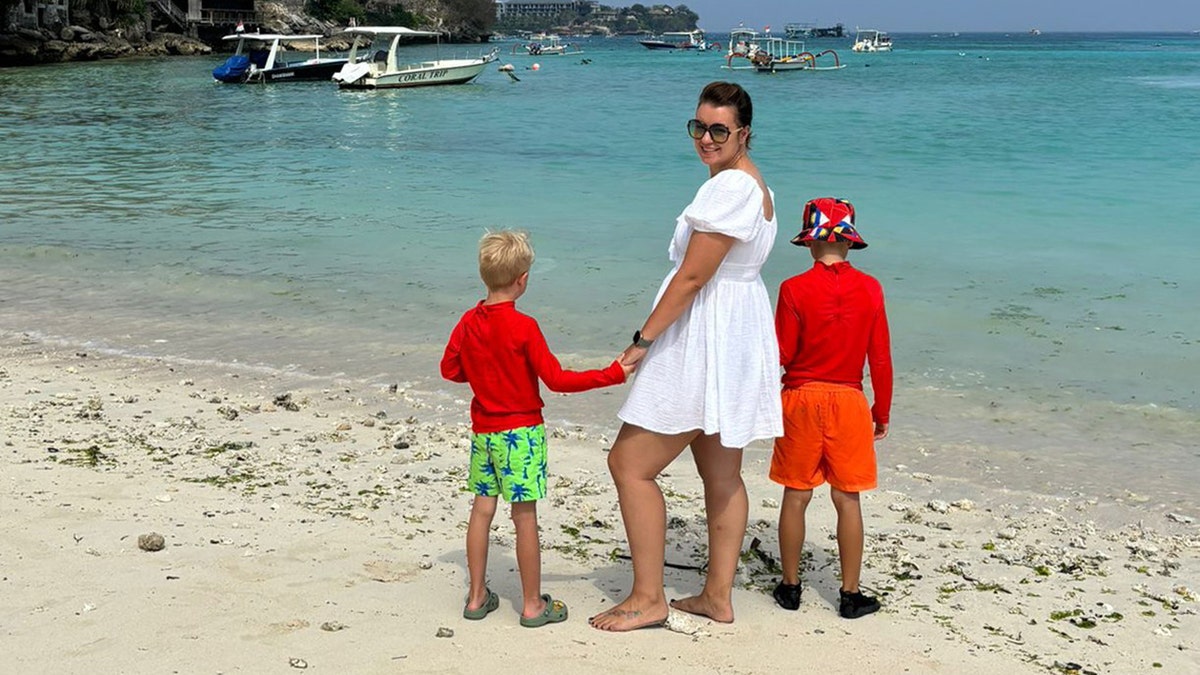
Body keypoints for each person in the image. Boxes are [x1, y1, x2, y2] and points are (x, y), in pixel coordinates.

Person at [589, 82, 783, 632]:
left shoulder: (729, 191)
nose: (706, 138)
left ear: (744, 132)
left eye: (719, 129)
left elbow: (694, 277)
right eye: (698, 126)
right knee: (721, 473)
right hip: (736, 334)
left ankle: (648, 598)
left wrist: (643, 339)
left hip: (705, 336)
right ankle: (716, 597)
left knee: (629, 465)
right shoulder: (754, 185)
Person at [440, 229, 632, 628]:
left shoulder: (468, 322)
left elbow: (450, 368)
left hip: (484, 432)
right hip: (521, 433)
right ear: (522, 279)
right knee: (523, 516)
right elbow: (557, 380)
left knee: (482, 510)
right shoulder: (524, 327)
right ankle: (531, 605)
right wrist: (612, 374)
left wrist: (483, 375)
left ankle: (476, 597)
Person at [769, 197, 893, 619]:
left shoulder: (793, 289)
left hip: (800, 399)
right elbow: (880, 358)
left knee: (796, 494)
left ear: (809, 243)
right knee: (847, 499)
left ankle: (789, 586)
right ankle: (850, 593)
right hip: (848, 400)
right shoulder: (871, 288)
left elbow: (781, 354)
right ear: (849, 241)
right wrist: (883, 411)